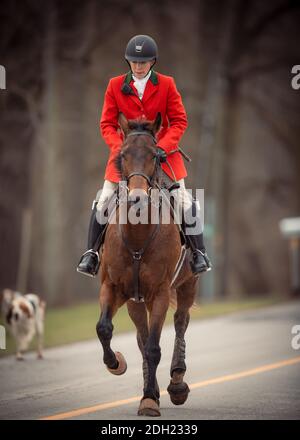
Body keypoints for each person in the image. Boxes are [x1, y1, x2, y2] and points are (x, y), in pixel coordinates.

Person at [77, 34, 211, 277]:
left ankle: (199, 253)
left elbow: (179, 120)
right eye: (134, 62)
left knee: (184, 201)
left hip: (163, 155)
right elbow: (107, 124)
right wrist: (121, 148)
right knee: (104, 198)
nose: (138, 67)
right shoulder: (115, 85)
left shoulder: (167, 84)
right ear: (128, 62)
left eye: (144, 62)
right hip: (126, 157)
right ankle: (91, 254)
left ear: (153, 62)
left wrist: (164, 146)